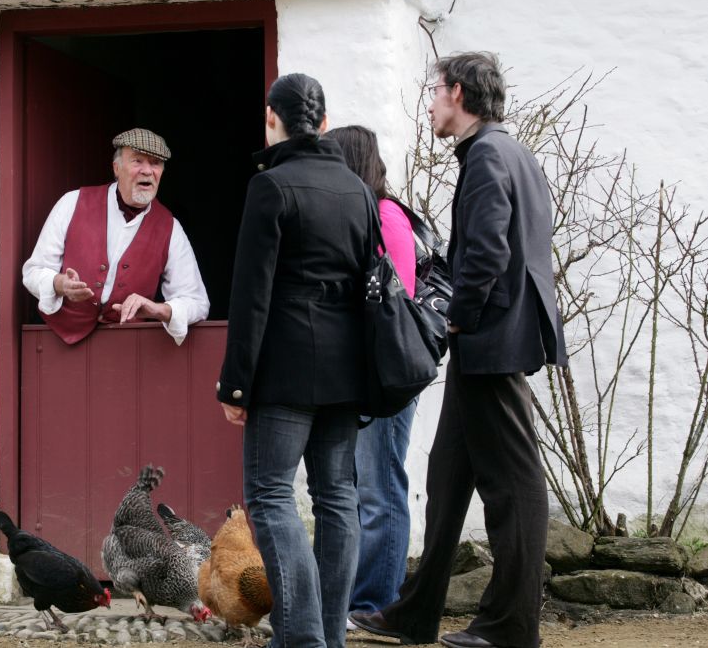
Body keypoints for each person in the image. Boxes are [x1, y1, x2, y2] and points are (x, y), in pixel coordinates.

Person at [350, 52, 567, 648]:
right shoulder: (507, 152)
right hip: (489, 341)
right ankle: (415, 614)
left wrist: (456, 319)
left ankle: (511, 627)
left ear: (460, 93)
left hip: (490, 341)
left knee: (513, 484)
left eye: (434, 92)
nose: (429, 105)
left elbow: (488, 254)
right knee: (447, 481)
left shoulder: (490, 155)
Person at [218, 74, 381, 648]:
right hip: (347, 371)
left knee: (270, 495)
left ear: (272, 118)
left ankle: (305, 638)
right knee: (337, 499)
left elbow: (251, 295)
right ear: (325, 123)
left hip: (286, 372)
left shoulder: (270, 186)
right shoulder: (358, 190)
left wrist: (235, 386)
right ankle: (328, 637)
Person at [325, 125, 418, 622]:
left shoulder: (386, 216)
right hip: (362, 374)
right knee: (362, 487)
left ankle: (375, 602)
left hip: (386, 376)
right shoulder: (363, 216)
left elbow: (393, 305)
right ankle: (357, 597)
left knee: (380, 488)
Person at [22, 128, 209, 345]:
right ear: (116, 168)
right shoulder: (72, 202)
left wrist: (158, 309)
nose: (147, 171)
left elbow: (196, 302)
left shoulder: (170, 228)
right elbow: (33, 272)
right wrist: (59, 284)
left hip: (127, 348)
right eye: (137, 161)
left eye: (155, 163)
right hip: (57, 344)